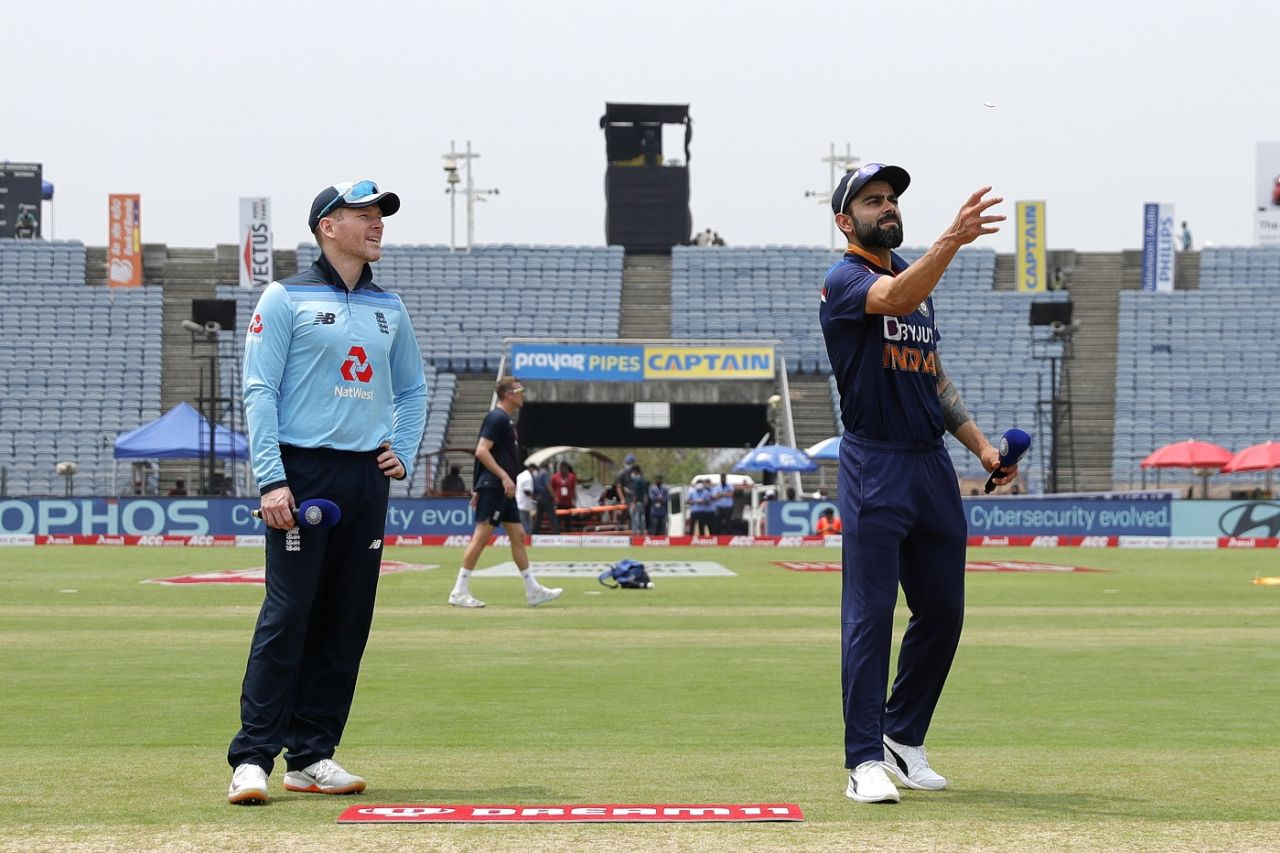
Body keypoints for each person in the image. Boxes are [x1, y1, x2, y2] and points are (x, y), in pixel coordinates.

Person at [819, 162, 1015, 804]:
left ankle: (904, 736)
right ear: (847, 221)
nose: (888, 207)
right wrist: (953, 239)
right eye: (873, 201)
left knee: (944, 613)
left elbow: (932, 378)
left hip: (930, 463)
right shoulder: (845, 278)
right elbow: (894, 301)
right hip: (875, 461)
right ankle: (863, 761)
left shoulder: (913, 279)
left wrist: (983, 448)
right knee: (871, 615)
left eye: (893, 199)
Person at [227, 179, 427, 806]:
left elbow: (414, 391)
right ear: (326, 226)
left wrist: (405, 449)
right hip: (301, 472)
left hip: (366, 478)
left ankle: (311, 753)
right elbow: (259, 390)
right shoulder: (284, 298)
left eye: (380, 216)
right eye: (363, 214)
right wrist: (271, 477)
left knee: (347, 619)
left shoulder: (389, 307)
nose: (376, 225)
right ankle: (253, 758)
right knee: (288, 614)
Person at [447, 377, 562, 610]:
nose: (523, 395)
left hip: (503, 488)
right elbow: (481, 451)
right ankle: (459, 591)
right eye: (520, 391)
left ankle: (533, 591)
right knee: (481, 537)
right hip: (496, 486)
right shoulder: (497, 418)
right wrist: (499, 478)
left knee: (518, 535)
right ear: (508, 394)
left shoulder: (506, 420)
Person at [533, 461, 559, 534]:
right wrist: (554, 496)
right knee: (552, 516)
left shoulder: (537, 474)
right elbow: (548, 485)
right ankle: (557, 534)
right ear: (547, 466)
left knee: (538, 518)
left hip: (538, 497)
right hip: (545, 497)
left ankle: (533, 534)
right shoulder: (545, 473)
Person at [551, 461, 578, 530]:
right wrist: (554, 498)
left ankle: (569, 535)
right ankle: (556, 535)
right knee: (557, 522)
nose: (563, 469)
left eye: (564, 467)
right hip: (558, 503)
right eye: (561, 467)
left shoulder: (572, 476)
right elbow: (552, 488)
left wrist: (574, 500)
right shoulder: (555, 477)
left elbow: (573, 488)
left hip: (568, 503)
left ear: (567, 468)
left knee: (568, 522)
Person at [515, 462, 537, 536]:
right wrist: (535, 497)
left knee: (523, 522)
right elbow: (527, 491)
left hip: (520, 502)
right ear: (532, 469)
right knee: (525, 523)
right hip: (524, 504)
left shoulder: (521, 475)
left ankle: (525, 535)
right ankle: (526, 537)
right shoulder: (528, 477)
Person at [627, 465, 649, 534]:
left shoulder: (636, 481)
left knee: (635, 519)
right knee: (642, 518)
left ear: (635, 471)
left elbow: (635, 493)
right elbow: (645, 493)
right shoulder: (643, 480)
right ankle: (642, 533)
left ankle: (635, 534)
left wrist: (633, 503)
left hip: (636, 502)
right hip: (642, 502)